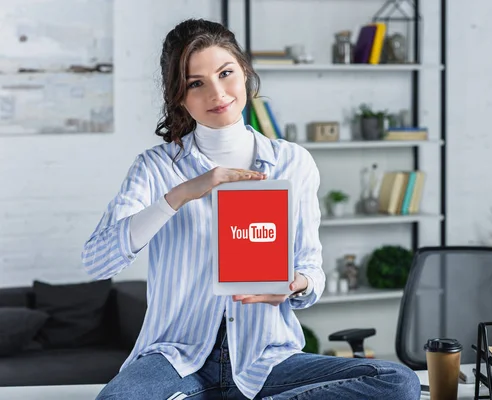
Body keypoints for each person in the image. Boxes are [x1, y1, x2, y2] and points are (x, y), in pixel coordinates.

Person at [83, 18, 421, 400]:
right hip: (178, 359)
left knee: (398, 381)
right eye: (196, 83)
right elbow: (98, 262)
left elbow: (312, 268)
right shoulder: (156, 168)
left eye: (225, 73)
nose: (217, 93)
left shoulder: (293, 162)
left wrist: (296, 284)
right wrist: (181, 194)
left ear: (243, 72)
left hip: (267, 358)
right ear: (179, 96)